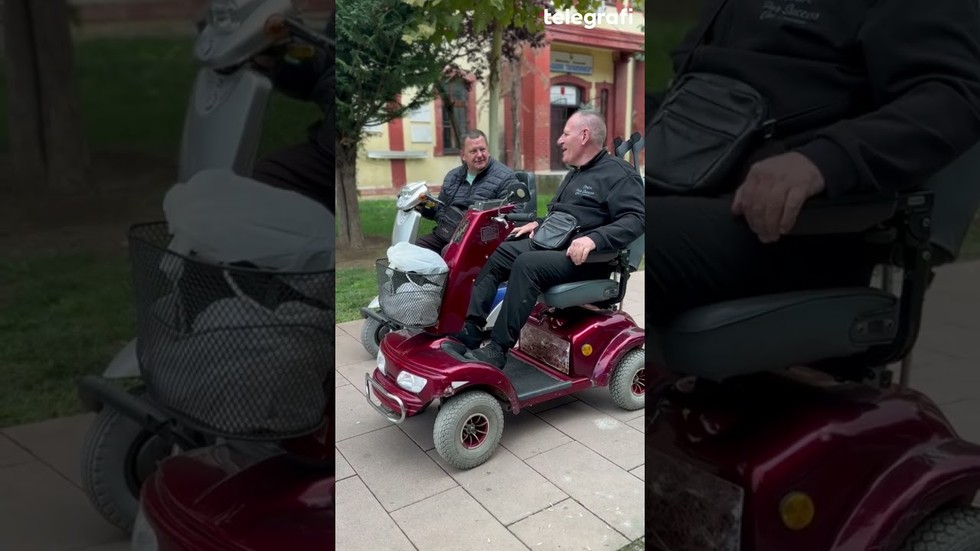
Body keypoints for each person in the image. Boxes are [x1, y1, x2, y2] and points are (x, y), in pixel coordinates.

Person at [644, 0, 980, 324]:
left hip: (795, 222)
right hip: (693, 176)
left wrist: (822, 160)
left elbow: (952, 98)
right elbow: (698, 82)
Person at [456, 110, 645, 369]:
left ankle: (498, 349)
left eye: (566, 134)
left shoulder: (620, 175)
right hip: (555, 245)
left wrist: (594, 239)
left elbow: (637, 219)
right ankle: (471, 330)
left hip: (588, 259)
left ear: (584, 136)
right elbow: (563, 214)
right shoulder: (575, 173)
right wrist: (539, 223)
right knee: (500, 253)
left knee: (527, 264)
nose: (560, 140)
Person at [250, 14, 335, 212]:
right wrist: (276, 56)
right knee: (252, 186)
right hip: (329, 152)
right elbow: (324, 72)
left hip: (353, 154)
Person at [415, 130, 520, 252]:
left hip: (480, 241)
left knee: (448, 252)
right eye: (473, 151)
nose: (479, 155)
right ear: (463, 155)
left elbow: (512, 214)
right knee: (414, 249)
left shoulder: (505, 177)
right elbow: (441, 209)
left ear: (488, 151)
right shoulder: (452, 176)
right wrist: (425, 206)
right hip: (448, 234)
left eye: (483, 149)